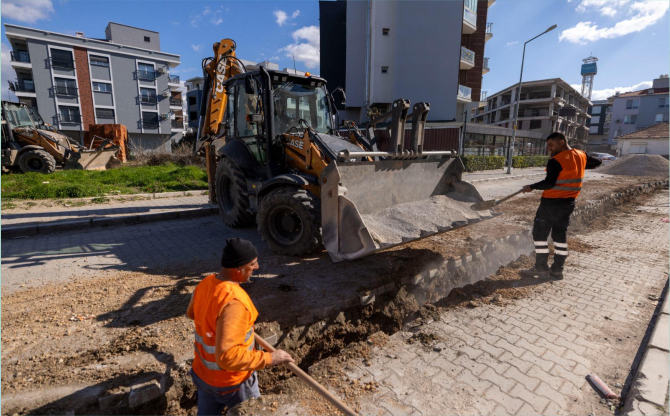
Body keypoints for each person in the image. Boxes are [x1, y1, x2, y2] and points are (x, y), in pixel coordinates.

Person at [186, 238, 294, 415]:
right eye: (252, 264)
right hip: (232, 383)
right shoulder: (234, 302)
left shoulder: (205, 283)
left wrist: (220, 326)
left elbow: (192, 313)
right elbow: (227, 358)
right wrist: (270, 359)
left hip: (203, 377)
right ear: (238, 269)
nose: (256, 267)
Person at [519, 132, 602, 280]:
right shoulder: (580, 155)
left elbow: (549, 183)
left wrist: (531, 187)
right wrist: (578, 165)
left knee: (539, 235)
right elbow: (597, 162)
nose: (549, 149)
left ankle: (541, 268)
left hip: (551, 204)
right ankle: (557, 270)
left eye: (551, 145)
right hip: (568, 203)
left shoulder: (556, 160)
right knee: (559, 236)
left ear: (561, 142)